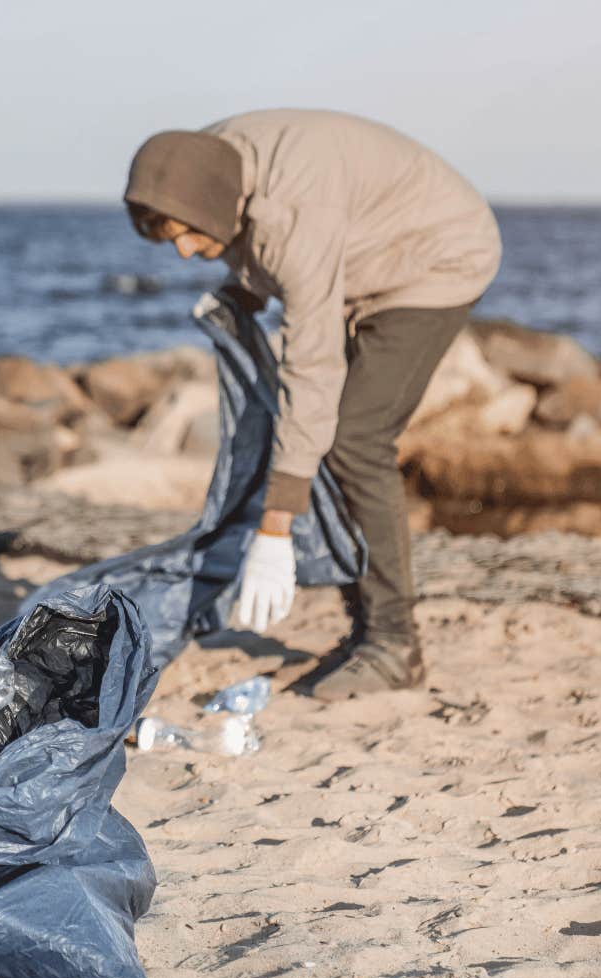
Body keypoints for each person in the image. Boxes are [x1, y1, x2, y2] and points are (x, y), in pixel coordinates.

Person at [124, 109, 502, 700]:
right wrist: (242, 289)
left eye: (189, 234)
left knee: (354, 439)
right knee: (324, 436)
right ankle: (366, 628)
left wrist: (275, 529)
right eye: (172, 239)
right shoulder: (206, 163)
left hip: (435, 256)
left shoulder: (293, 218)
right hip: (357, 243)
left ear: (212, 206)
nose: (186, 254)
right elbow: (267, 253)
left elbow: (313, 365)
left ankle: (393, 645)